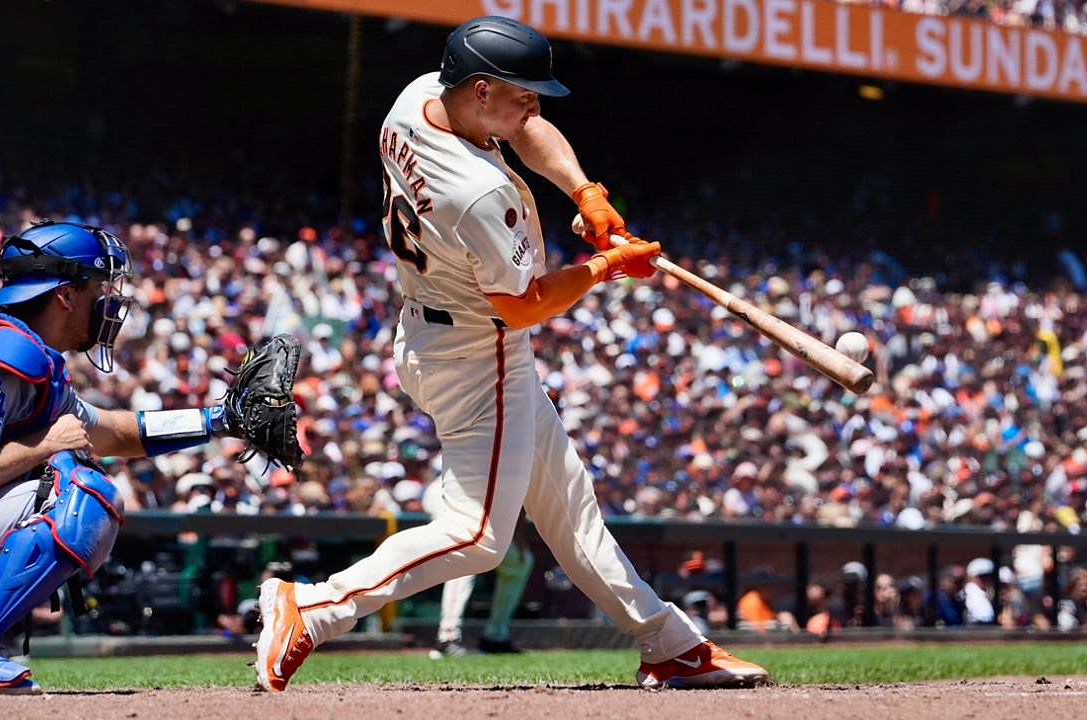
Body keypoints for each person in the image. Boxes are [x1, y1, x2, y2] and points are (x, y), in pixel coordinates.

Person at [253, 16, 767, 692]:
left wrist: (583, 191)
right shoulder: (479, 193)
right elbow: (523, 304)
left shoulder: (416, 99)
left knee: (569, 510)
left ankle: (668, 641)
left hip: (437, 330)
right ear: (482, 90)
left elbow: (524, 132)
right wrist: (607, 266)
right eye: (523, 93)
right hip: (476, 353)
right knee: (477, 536)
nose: (535, 106)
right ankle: (314, 606)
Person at [0, 221, 262, 694]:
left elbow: (113, 431)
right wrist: (46, 446)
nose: (109, 302)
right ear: (66, 295)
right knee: (82, 493)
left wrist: (219, 420)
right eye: (99, 288)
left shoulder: (25, 353)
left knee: (71, 473)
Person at [432, 511, 534, 657]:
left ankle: (495, 638)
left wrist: (517, 537)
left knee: (519, 561)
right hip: (451, 505)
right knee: (465, 557)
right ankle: (447, 638)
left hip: (487, 518)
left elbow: (520, 503)